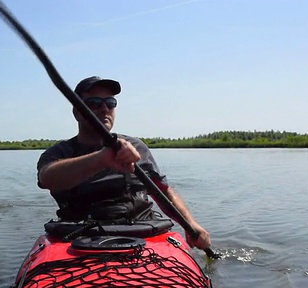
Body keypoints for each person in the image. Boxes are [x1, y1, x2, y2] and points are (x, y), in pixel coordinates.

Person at [36, 76, 211, 250]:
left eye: (110, 102)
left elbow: (163, 191)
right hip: (79, 237)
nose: (104, 108)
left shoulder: (136, 147)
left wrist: (191, 224)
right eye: (94, 103)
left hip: (141, 233)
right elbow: (47, 178)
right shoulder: (59, 153)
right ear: (77, 112)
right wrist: (101, 159)